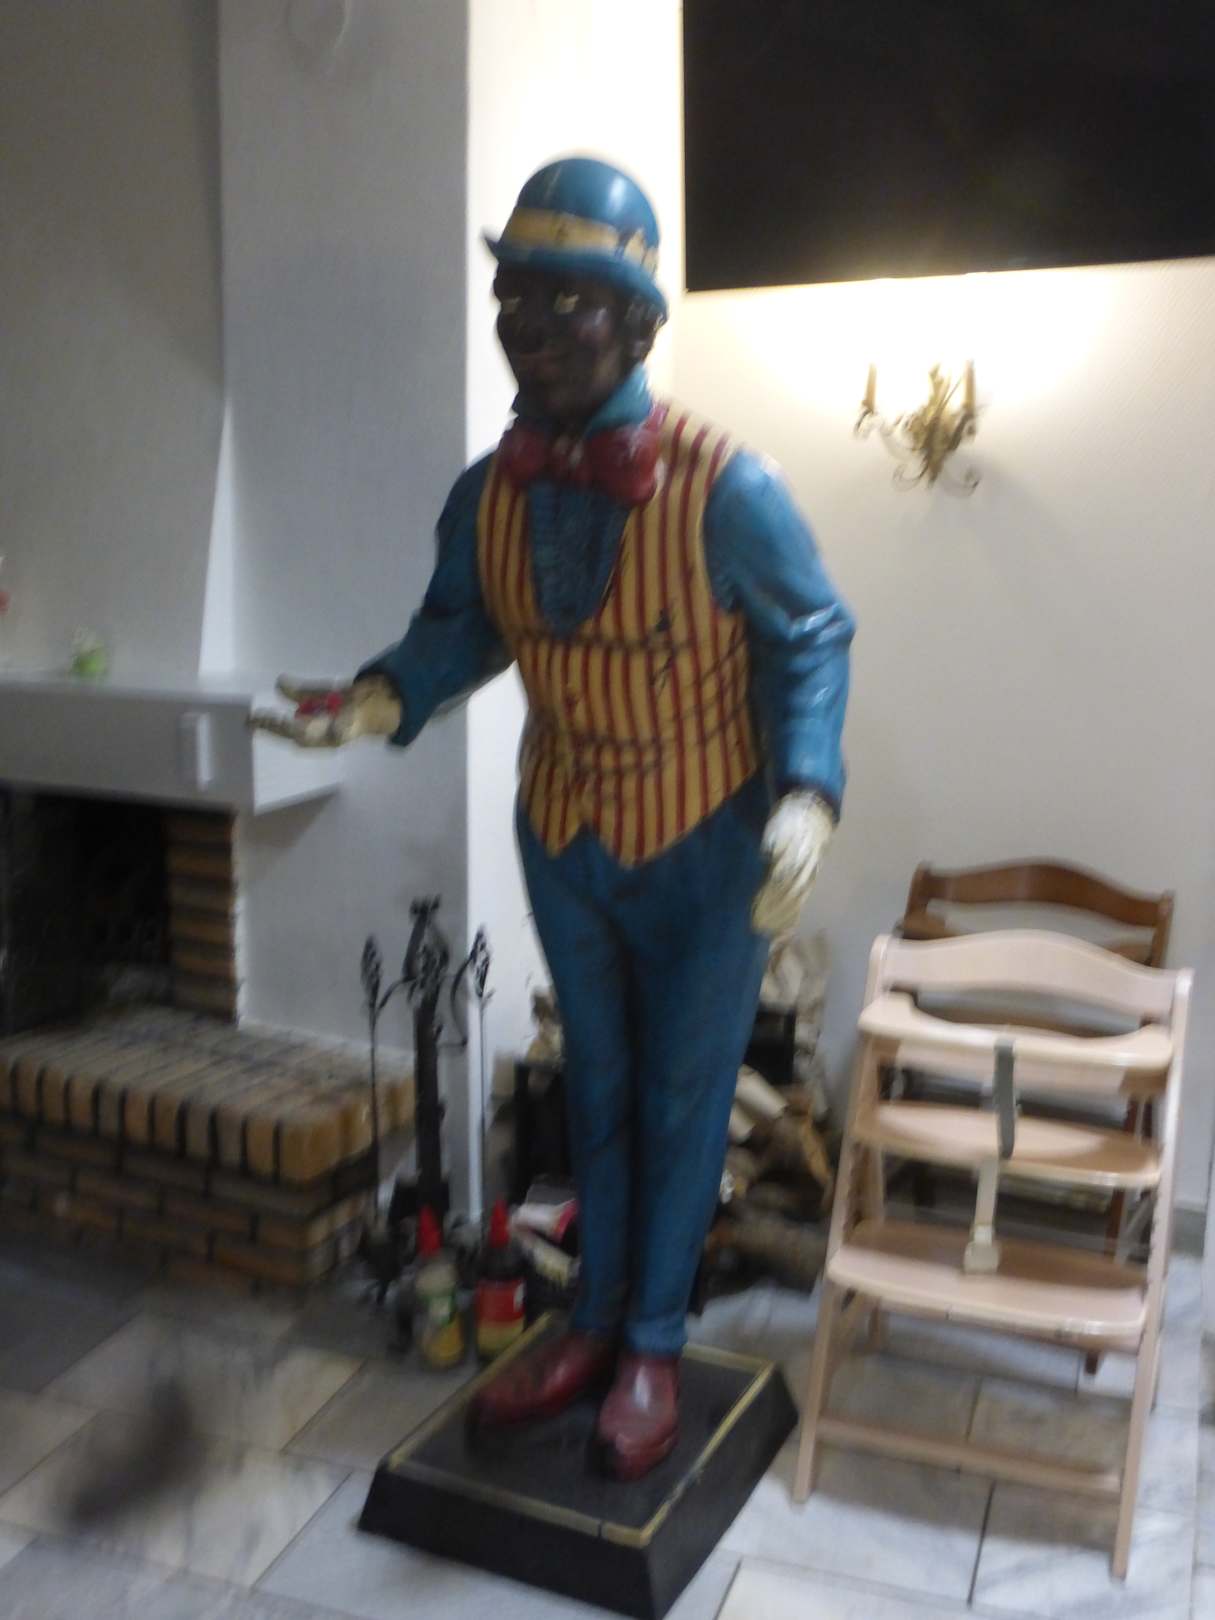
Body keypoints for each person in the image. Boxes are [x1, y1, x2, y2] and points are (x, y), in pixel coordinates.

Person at [255, 156, 854, 1480]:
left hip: (709, 840)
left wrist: (808, 793)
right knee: (598, 1086)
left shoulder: (730, 488)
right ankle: (589, 1324)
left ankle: (653, 1346)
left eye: (564, 300)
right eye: (514, 297)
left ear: (636, 322)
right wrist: (370, 703)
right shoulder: (490, 495)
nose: (528, 325)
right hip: (567, 830)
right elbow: (458, 632)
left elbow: (810, 635)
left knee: (686, 1096)